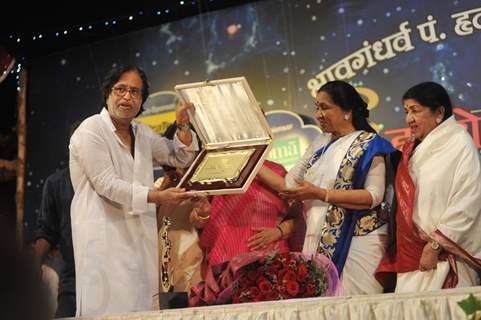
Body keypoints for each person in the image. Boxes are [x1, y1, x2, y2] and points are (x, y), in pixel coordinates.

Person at [69, 66, 198, 316]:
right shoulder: (90, 129)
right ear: (108, 93)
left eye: (135, 92)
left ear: (141, 101)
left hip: (139, 239)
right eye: (121, 89)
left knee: (141, 308)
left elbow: (178, 157)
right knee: (107, 309)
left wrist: (182, 126)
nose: (127, 97)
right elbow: (106, 183)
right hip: (104, 240)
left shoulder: (142, 132)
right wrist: (157, 197)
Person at [278, 80, 396, 295]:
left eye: (325, 107)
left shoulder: (369, 144)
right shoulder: (321, 148)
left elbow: (374, 196)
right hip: (316, 240)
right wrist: (314, 146)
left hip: (358, 241)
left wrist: (321, 194)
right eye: (316, 107)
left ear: (347, 111)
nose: (318, 114)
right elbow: (289, 183)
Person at [376, 82, 481, 292]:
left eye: (415, 110)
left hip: (444, 254)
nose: (409, 119)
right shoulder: (411, 150)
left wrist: (435, 245)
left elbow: (469, 199)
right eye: (406, 112)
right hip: (410, 255)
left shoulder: (459, 143)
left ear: (439, 112)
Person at [33, 166, 76, 317]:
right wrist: (32, 269)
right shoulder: (56, 183)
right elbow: (46, 231)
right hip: (72, 285)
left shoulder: (113, 180)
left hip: (112, 279)